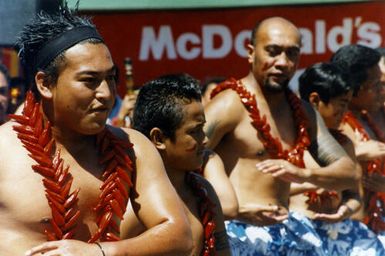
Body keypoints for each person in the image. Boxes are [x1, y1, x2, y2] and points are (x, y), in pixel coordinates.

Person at [0, 5, 193, 256]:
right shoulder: (4, 151)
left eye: (111, 78)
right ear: (45, 84)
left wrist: (99, 253)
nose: (106, 94)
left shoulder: (133, 148)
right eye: (90, 81)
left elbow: (180, 236)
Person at [204, 16, 359, 255]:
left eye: (292, 54)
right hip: (237, 232)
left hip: (287, 232)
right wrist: (234, 210)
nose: (283, 63)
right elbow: (181, 165)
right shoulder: (228, 105)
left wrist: (302, 173)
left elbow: (349, 172)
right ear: (250, 52)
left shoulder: (303, 112)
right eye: (273, 52)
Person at [129, 73, 232, 255]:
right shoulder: (133, 205)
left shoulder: (204, 191)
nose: (206, 139)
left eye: (203, 128)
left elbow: (223, 252)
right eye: (195, 131)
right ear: (159, 138)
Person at [296, 62, 384, 254]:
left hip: (342, 232)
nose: (345, 114)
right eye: (342, 104)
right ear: (314, 101)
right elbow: (269, 188)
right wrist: (312, 181)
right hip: (298, 231)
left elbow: (354, 197)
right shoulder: (288, 139)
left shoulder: (344, 143)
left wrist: (345, 210)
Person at [332, 44, 385, 238]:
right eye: (377, 85)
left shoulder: (367, 120)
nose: (382, 90)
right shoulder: (332, 122)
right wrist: (356, 152)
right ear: (354, 90)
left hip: (375, 229)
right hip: (347, 233)